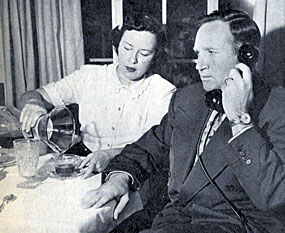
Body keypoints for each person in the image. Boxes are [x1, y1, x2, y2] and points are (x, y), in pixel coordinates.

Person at [80, 9, 285, 233]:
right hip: (174, 218)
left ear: (246, 56)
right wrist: (119, 178)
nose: (200, 64)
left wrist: (239, 120)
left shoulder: (277, 106)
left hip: (236, 225)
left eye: (211, 52)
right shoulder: (189, 98)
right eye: (198, 53)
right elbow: (148, 148)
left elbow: (274, 196)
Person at [19, 12, 176, 174]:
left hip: (134, 168)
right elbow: (32, 95)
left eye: (144, 53)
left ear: (155, 55)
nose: (132, 59)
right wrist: (34, 104)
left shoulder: (163, 91)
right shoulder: (89, 76)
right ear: (116, 46)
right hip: (84, 159)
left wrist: (110, 154)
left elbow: (159, 148)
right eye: (127, 48)